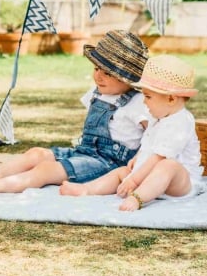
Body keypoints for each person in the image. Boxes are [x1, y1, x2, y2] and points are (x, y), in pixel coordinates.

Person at [0, 30, 149, 196]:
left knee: (46, 170)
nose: (98, 76)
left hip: (109, 165)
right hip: (84, 153)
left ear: (128, 79)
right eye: (97, 68)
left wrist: (140, 159)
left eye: (107, 73)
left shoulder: (138, 102)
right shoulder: (97, 92)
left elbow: (153, 133)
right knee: (36, 154)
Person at [59, 55, 205, 210]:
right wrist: (137, 157)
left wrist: (134, 181)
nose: (143, 101)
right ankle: (87, 189)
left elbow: (158, 157)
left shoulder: (180, 122)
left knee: (168, 166)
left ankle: (137, 199)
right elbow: (149, 143)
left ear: (171, 99)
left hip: (178, 185)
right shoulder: (159, 116)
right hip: (149, 177)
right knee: (122, 171)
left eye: (148, 96)